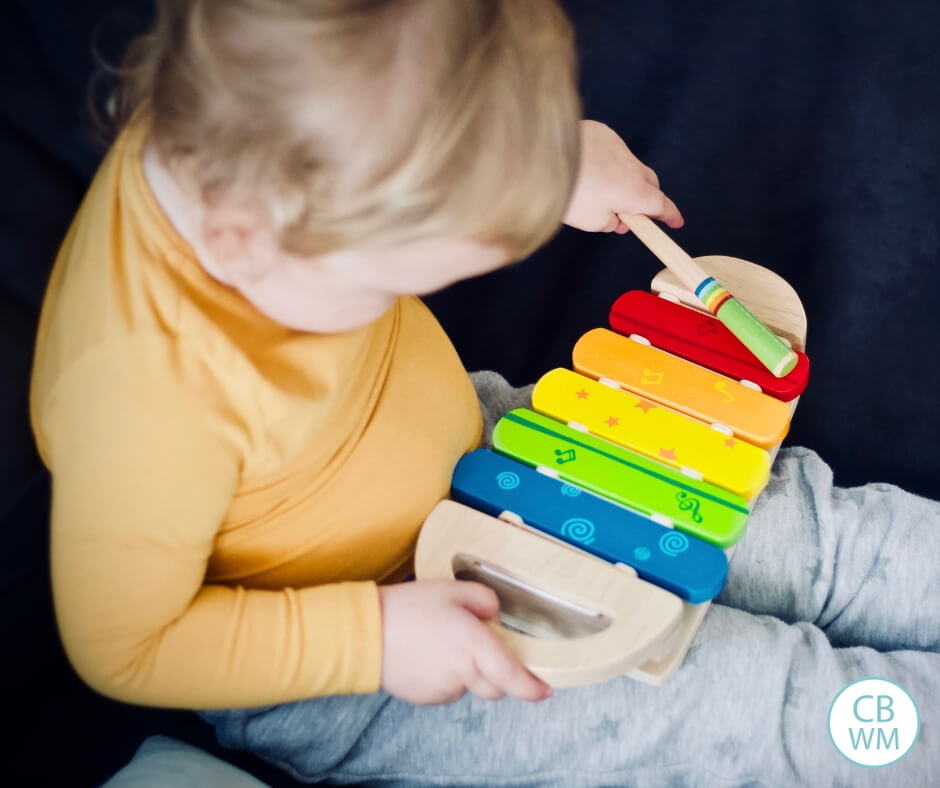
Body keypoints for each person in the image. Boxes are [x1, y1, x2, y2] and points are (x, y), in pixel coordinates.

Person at [31, 1, 937, 785]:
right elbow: (127, 647)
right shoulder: (146, 401)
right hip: (381, 639)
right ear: (244, 240)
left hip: (494, 451)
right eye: (394, 285)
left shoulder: (267, 109)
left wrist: (537, 162)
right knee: (773, 706)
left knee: (821, 539)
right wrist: (374, 637)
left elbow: (420, 91)